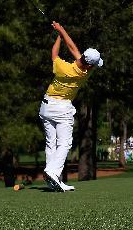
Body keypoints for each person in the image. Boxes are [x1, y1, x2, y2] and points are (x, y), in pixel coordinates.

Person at [39, 21, 103, 192]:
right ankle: (52, 172)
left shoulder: (62, 67)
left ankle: (53, 180)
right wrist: (62, 32)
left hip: (46, 106)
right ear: (90, 65)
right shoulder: (85, 72)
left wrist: (60, 34)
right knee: (65, 143)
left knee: (51, 143)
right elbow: (73, 48)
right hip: (62, 108)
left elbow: (56, 52)